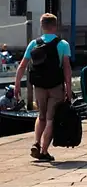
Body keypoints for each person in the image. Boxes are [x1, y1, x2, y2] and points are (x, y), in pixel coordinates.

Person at [14, 13, 73, 163]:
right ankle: (44, 151)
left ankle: (36, 143)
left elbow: (22, 66)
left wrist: (17, 85)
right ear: (55, 26)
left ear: (42, 26)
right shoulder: (63, 44)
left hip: (38, 86)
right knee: (50, 118)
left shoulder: (34, 43)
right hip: (55, 86)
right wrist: (68, 89)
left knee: (41, 116)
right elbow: (66, 68)